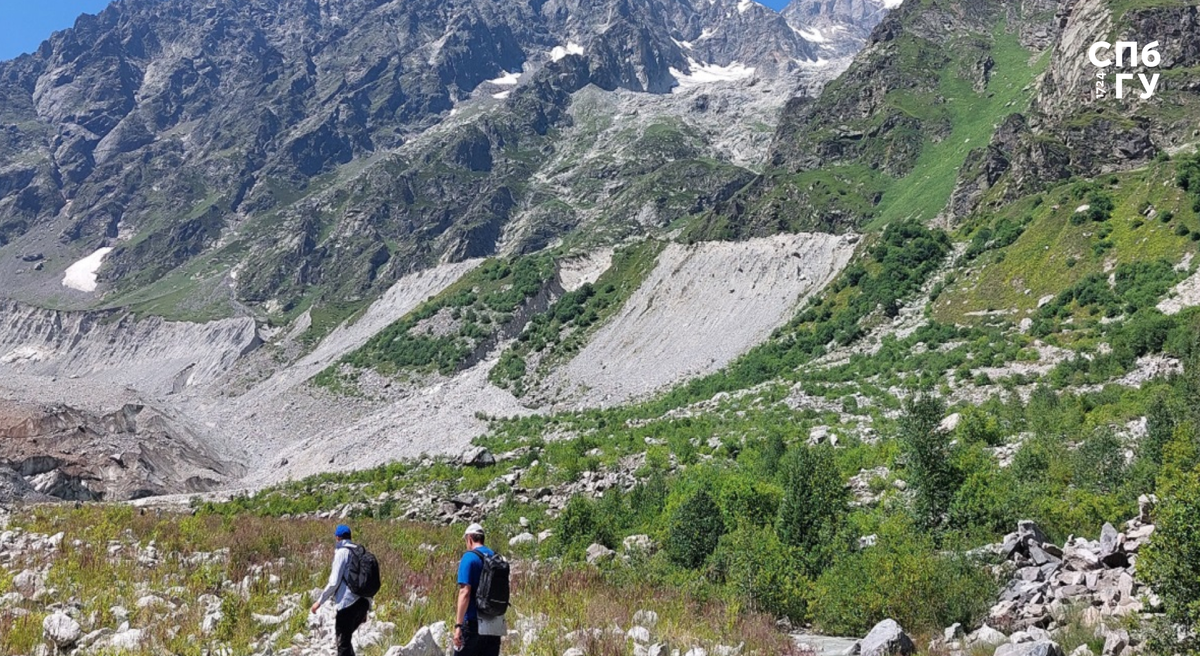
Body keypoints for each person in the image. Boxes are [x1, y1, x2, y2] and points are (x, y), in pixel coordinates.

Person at [311, 524, 371, 656]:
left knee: (342, 642)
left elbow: (333, 582)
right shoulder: (360, 552)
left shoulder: (342, 553)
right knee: (347, 639)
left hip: (347, 604)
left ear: (338, 538)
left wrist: (319, 602)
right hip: (363, 603)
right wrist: (366, 608)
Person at [454, 523, 503, 656]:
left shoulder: (469, 557)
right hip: (494, 623)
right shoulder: (495, 557)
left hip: (473, 623)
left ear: (469, 538)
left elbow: (465, 592)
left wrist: (458, 626)